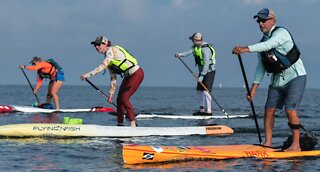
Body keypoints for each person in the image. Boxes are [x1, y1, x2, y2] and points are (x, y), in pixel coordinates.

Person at [232, 8, 307, 152]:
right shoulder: (262, 41)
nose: (261, 23)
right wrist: (252, 91)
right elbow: (261, 67)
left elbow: (268, 45)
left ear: (273, 20)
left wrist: (245, 49)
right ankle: (267, 143)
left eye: (264, 20)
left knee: (290, 111)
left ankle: (296, 145)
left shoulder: (281, 33)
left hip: (296, 77)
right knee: (268, 111)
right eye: (259, 21)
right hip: (277, 81)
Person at [81, 36, 144, 127]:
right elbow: (113, 78)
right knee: (119, 100)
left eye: (98, 45)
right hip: (128, 76)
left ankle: (133, 124)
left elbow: (102, 66)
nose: (96, 47)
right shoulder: (109, 59)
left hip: (137, 74)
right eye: (95, 45)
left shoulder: (111, 51)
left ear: (105, 44)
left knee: (124, 98)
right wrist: (111, 95)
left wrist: (87, 75)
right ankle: (120, 124)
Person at [175, 32, 216, 116]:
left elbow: (206, 64)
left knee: (206, 91)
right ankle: (201, 110)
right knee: (199, 91)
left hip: (209, 72)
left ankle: (209, 111)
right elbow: (188, 52)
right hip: (202, 72)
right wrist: (180, 54)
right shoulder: (195, 47)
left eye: (193, 40)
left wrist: (202, 75)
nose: (192, 41)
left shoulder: (205, 49)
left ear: (196, 40)